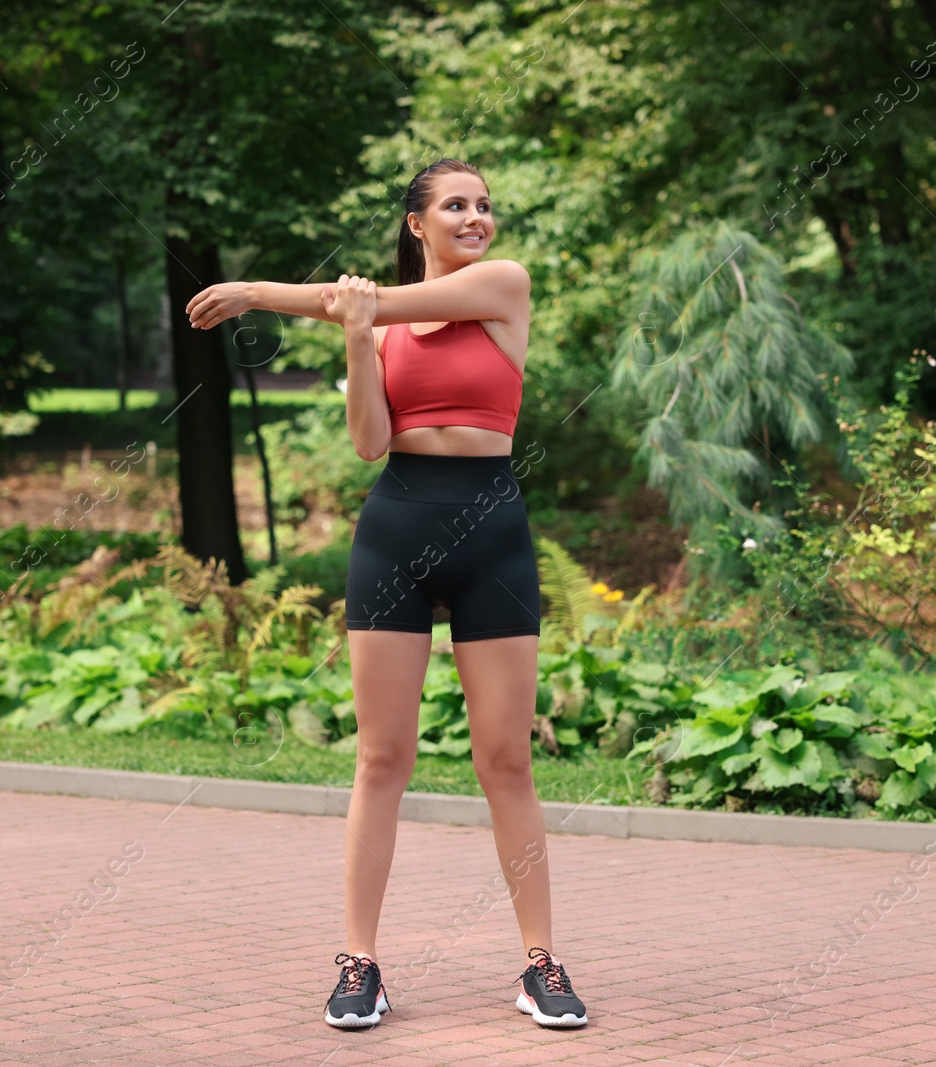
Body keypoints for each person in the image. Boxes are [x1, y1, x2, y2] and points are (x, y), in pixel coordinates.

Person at [183, 158, 588, 1031]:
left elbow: (365, 300)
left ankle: (540, 963)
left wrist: (257, 291)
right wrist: (353, 334)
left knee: (505, 760)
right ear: (418, 223)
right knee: (382, 759)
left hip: (493, 533)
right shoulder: (374, 321)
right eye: (455, 205)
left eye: (484, 204)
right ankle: (359, 961)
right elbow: (369, 440)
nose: (476, 216)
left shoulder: (502, 288)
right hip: (397, 527)